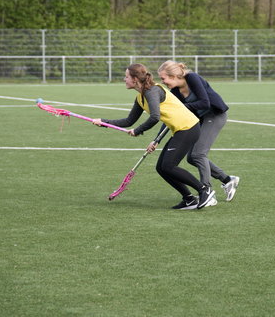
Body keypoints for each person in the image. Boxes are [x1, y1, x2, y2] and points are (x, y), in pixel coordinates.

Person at [92, 63, 215, 210]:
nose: (124, 79)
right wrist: (104, 122)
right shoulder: (140, 98)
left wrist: (138, 130)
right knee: (161, 168)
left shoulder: (153, 91)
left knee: (169, 166)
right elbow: (128, 121)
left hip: (189, 128)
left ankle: (204, 190)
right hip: (179, 130)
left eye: (126, 76)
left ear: (135, 79)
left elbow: (155, 117)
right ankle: (189, 199)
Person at [155, 60, 240, 205]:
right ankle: (227, 180)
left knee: (198, 154)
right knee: (192, 158)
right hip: (199, 119)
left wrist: (182, 107)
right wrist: (156, 139)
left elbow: (204, 102)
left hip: (214, 115)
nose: (162, 82)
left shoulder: (192, 78)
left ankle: (207, 192)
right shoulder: (174, 92)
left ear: (174, 75)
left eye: (164, 78)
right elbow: (171, 117)